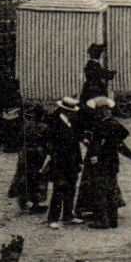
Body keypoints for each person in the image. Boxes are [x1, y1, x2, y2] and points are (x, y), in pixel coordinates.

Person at [80, 97, 131, 230]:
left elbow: (95, 144)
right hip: (113, 161)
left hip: (101, 163)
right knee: (112, 189)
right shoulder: (114, 124)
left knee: (100, 191)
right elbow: (124, 133)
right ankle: (113, 220)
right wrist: (112, 143)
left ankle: (102, 221)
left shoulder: (100, 125)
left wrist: (98, 151)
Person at [42, 96, 84, 230]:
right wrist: (54, 156)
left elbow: (76, 142)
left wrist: (79, 161)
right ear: (64, 110)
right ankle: (52, 218)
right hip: (59, 160)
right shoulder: (54, 121)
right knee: (59, 188)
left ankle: (68, 215)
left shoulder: (74, 121)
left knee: (71, 187)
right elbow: (48, 142)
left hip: (72, 160)